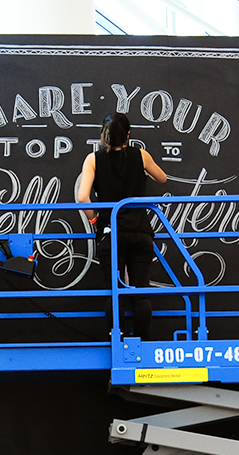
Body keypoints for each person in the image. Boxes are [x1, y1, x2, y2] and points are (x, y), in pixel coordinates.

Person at [76, 113, 167, 339]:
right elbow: (162, 178)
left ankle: (120, 342)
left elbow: (82, 198)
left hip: (111, 233)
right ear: (128, 134)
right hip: (140, 232)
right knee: (141, 293)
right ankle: (143, 344)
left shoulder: (93, 159)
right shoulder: (141, 156)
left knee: (115, 294)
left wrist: (94, 220)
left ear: (104, 134)